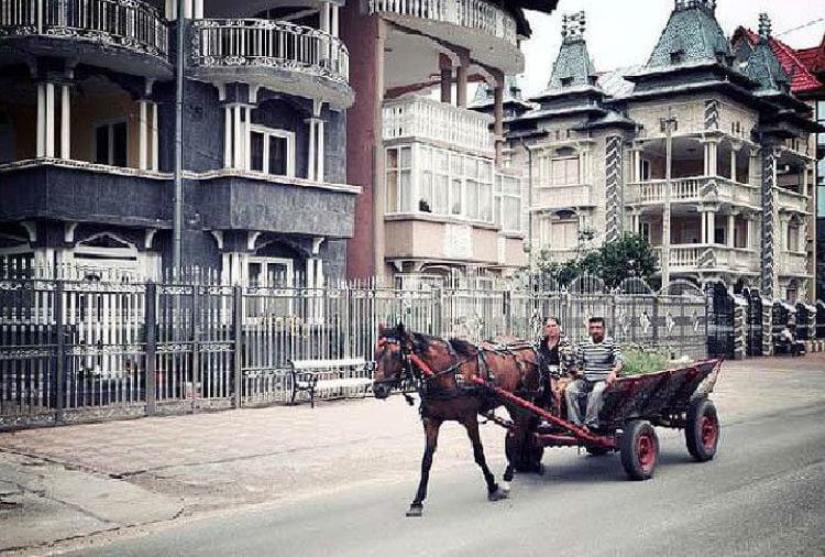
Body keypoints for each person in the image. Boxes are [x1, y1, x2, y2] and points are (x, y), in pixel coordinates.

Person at [565, 317, 623, 430]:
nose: (595, 331)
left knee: (596, 392)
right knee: (570, 390)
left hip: (603, 380)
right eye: (592, 328)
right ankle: (575, 424)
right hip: (586, 379)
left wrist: (614, 372)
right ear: (589, 330)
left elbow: (620, 360)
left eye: (598, 328)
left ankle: (590, 424)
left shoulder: (610, 343)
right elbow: (577, 362)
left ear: (604, 329)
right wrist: (575, 370)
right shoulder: (584, 344)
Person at [536, 317, 574, 410]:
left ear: (559, 327)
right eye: (548, 326)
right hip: (542, 376)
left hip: (561, 376)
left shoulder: (565, 344)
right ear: (545, 328)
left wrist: (553, 377)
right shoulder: (541, 343)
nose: (551, 329)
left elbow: (567, 366)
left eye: (553, 326)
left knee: (553, 388)